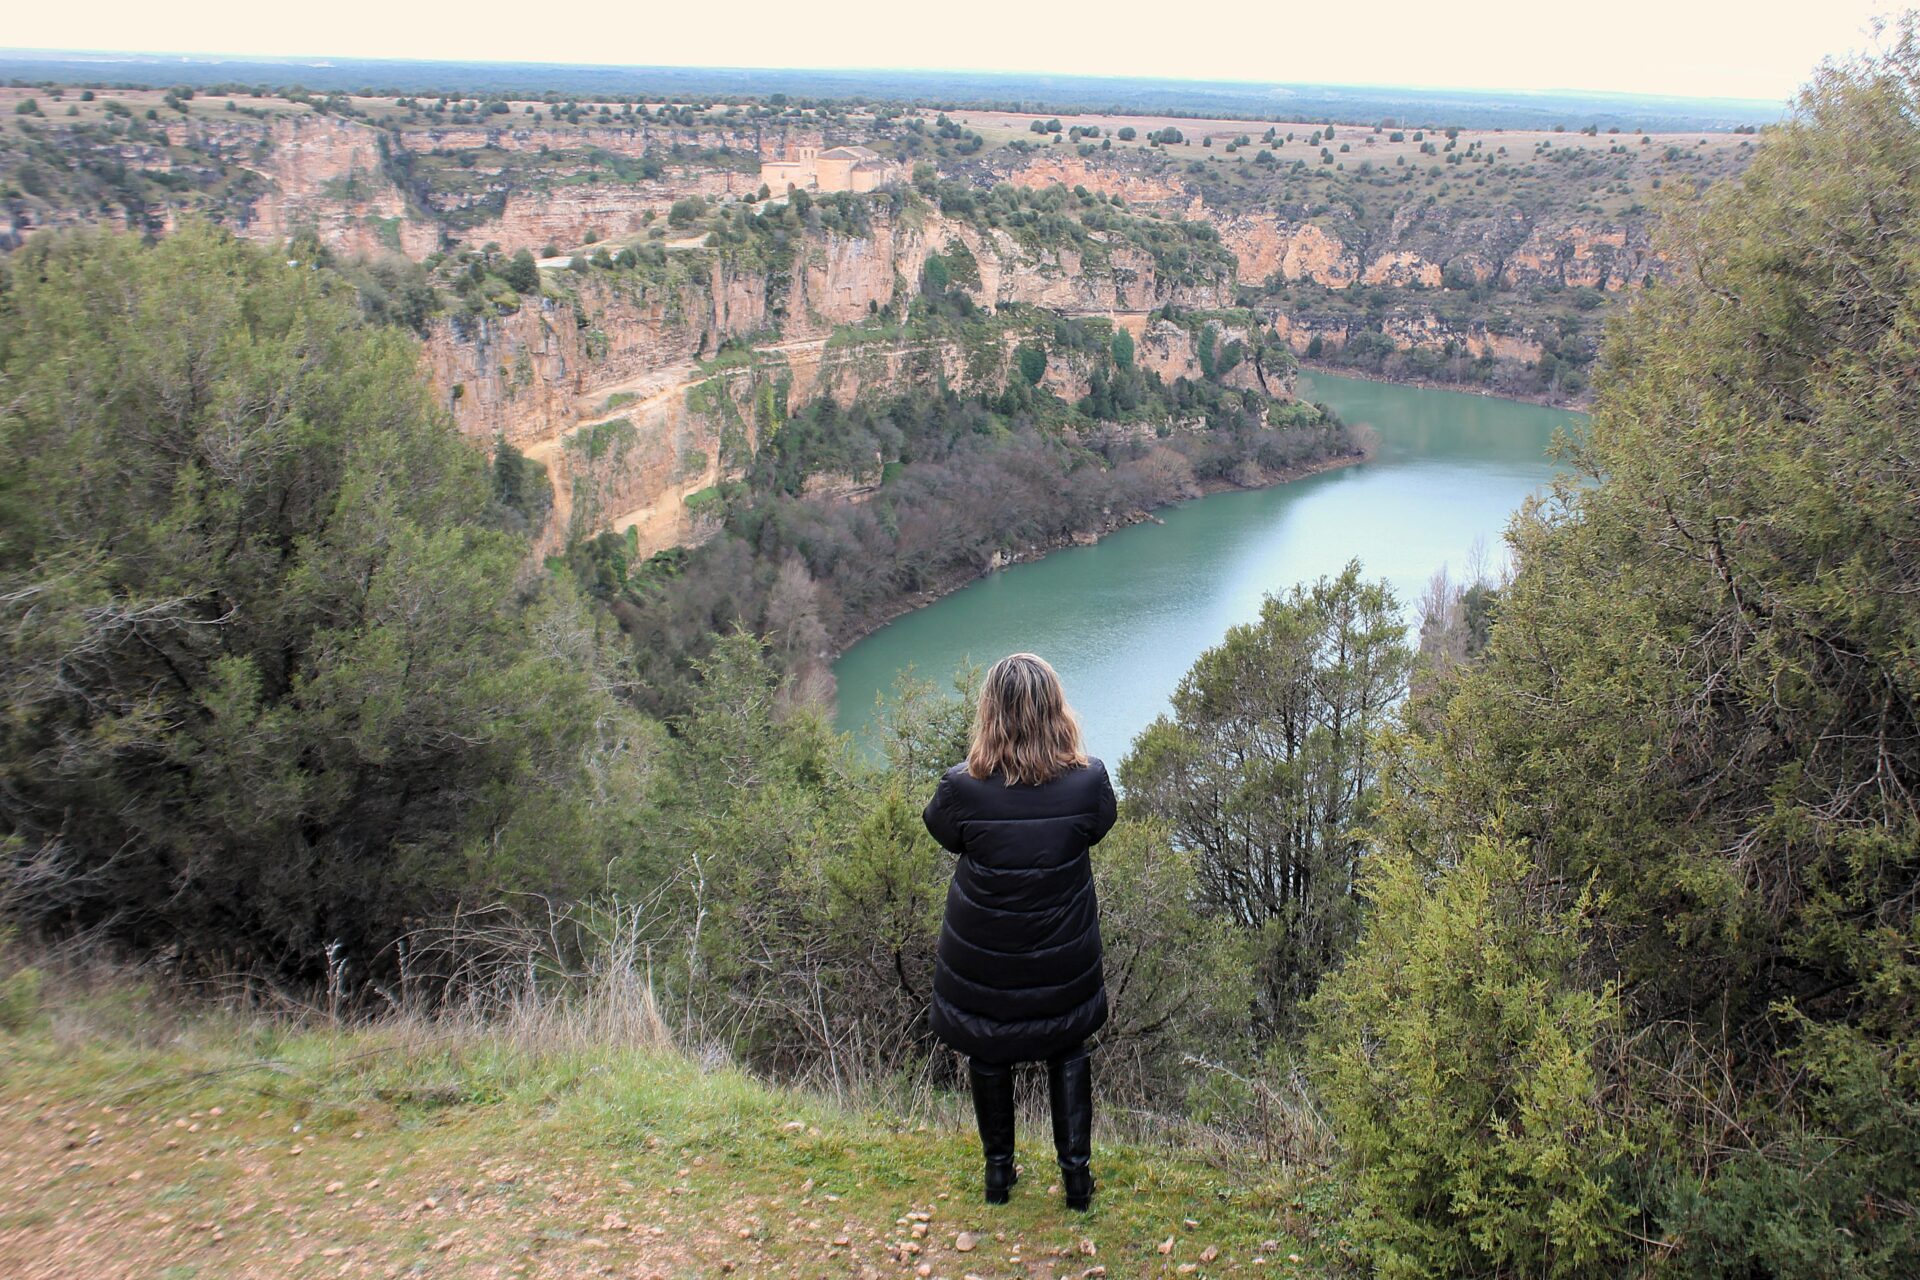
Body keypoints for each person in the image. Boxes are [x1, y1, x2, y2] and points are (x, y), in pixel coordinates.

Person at [922, 653, 1117, 1211]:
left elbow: (943, 832)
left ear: (990, 713)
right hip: (1062, 956)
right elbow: (1099, 827)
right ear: (1056, 710)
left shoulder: (961, 788)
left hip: (986, 958)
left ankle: (998, 1177)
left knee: (988, 1049)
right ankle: (1077, 1183)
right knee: (1068, 1048)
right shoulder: (1088, 782)